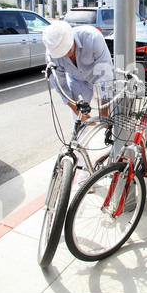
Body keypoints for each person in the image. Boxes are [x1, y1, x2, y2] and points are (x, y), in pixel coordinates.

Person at [42, 21, 113, 184]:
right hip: (78, 82)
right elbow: (60, 85)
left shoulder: (92, 37)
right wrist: (78, 110)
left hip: (100, 79)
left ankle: (114, 160)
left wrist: (104, 111)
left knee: (116, 119)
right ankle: (84, 173)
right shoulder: (53, 53)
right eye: (62, 53)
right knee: (79, 129)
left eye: (68, 50)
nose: (66, 55)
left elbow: (105, 74)